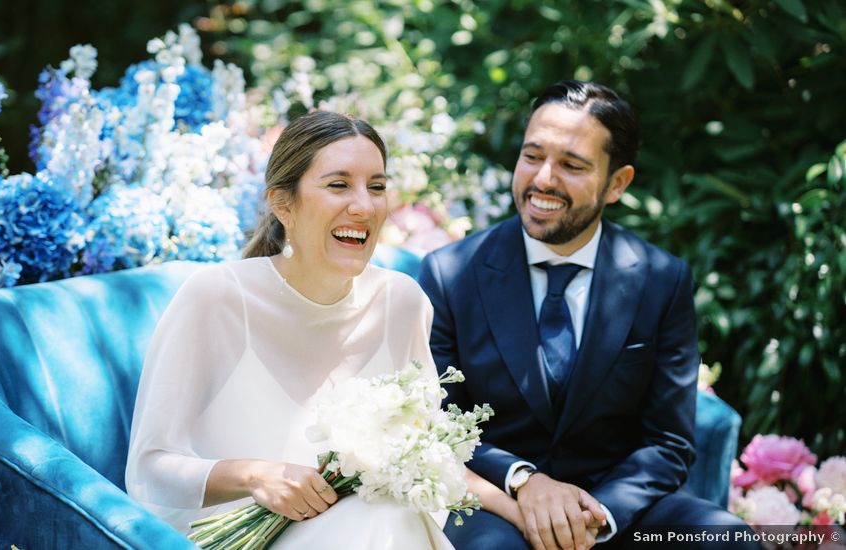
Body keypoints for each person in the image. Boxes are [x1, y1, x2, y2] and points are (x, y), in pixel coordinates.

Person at [417, 81, 758, 550]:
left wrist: (597, 515)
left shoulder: (663, 279)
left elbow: (669, 442)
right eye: (532, 156)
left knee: (728, 539)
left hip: (618, 509)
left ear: (617, 183)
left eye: (572, 165)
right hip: (498, 500)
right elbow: (440, 421)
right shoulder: (449, 273)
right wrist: (523, 480)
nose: (543, 180)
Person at [125, 111, 453, 548]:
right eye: (339, 185)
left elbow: (428, 457)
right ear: (283, 204)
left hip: (377, 530)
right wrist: (258, 477)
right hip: (242, 538)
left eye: (376, 187)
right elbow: (148, 469)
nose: (365, 205)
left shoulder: (403, 303)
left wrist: (518, 494)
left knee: (391, 516)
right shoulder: (217, 297)